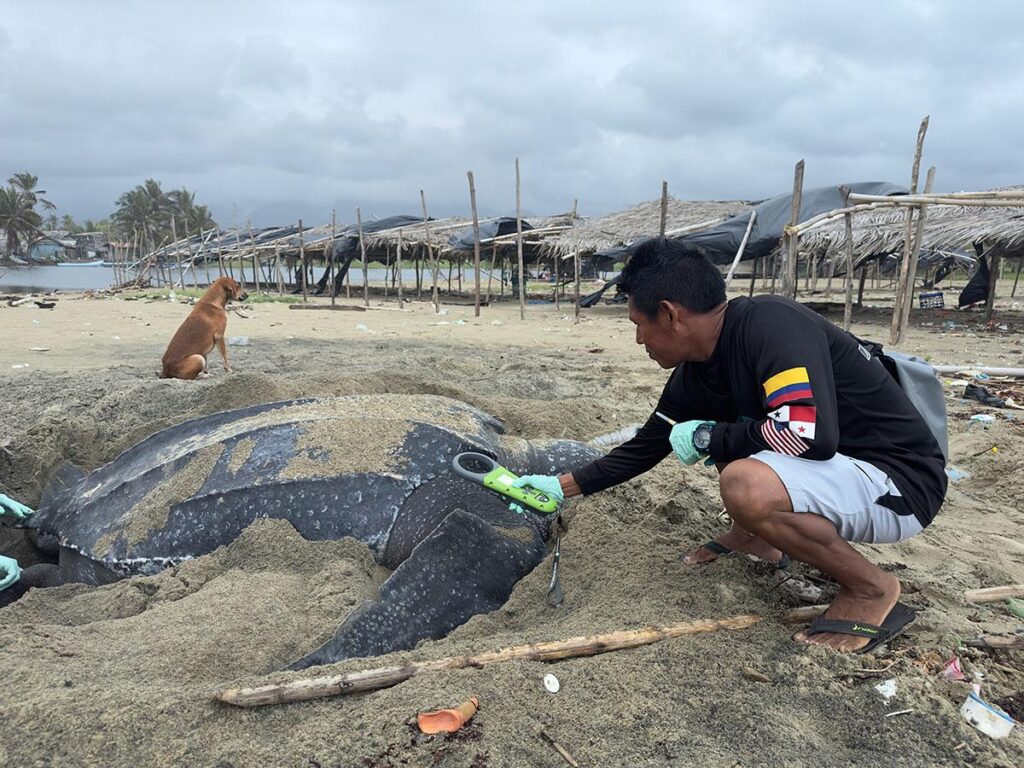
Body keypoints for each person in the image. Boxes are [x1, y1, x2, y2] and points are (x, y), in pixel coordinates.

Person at [512, 238, 946, 654]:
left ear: (669, 314)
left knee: (744, 481)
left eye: (638, 325)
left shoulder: (772, 326)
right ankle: (756, 538)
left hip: (900, 485)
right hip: (841, 476)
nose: (639, 340)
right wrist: (559, 487)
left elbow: (808, 434)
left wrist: (709, 436)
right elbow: (647, 445)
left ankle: (870, 588)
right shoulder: (697, 371)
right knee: (730, 436)